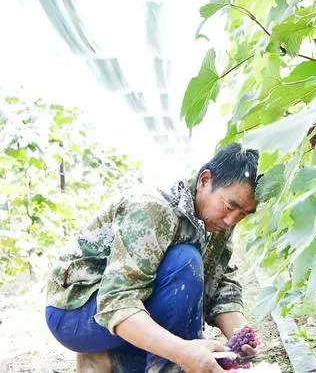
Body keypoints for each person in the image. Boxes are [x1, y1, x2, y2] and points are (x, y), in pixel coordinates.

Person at [45, 143, 261, 373]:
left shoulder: (217, 220)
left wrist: (240, 336)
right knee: (185, 261)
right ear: (204, 180)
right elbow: (116, 301)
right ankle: (129, 359)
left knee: (195, 349)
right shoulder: (153, 209)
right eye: (230, 206)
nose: (231, 221)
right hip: (77, 313)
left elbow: (220, 282)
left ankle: (109, 362)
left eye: (243, 215)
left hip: (123, 307)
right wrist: (184, 352)